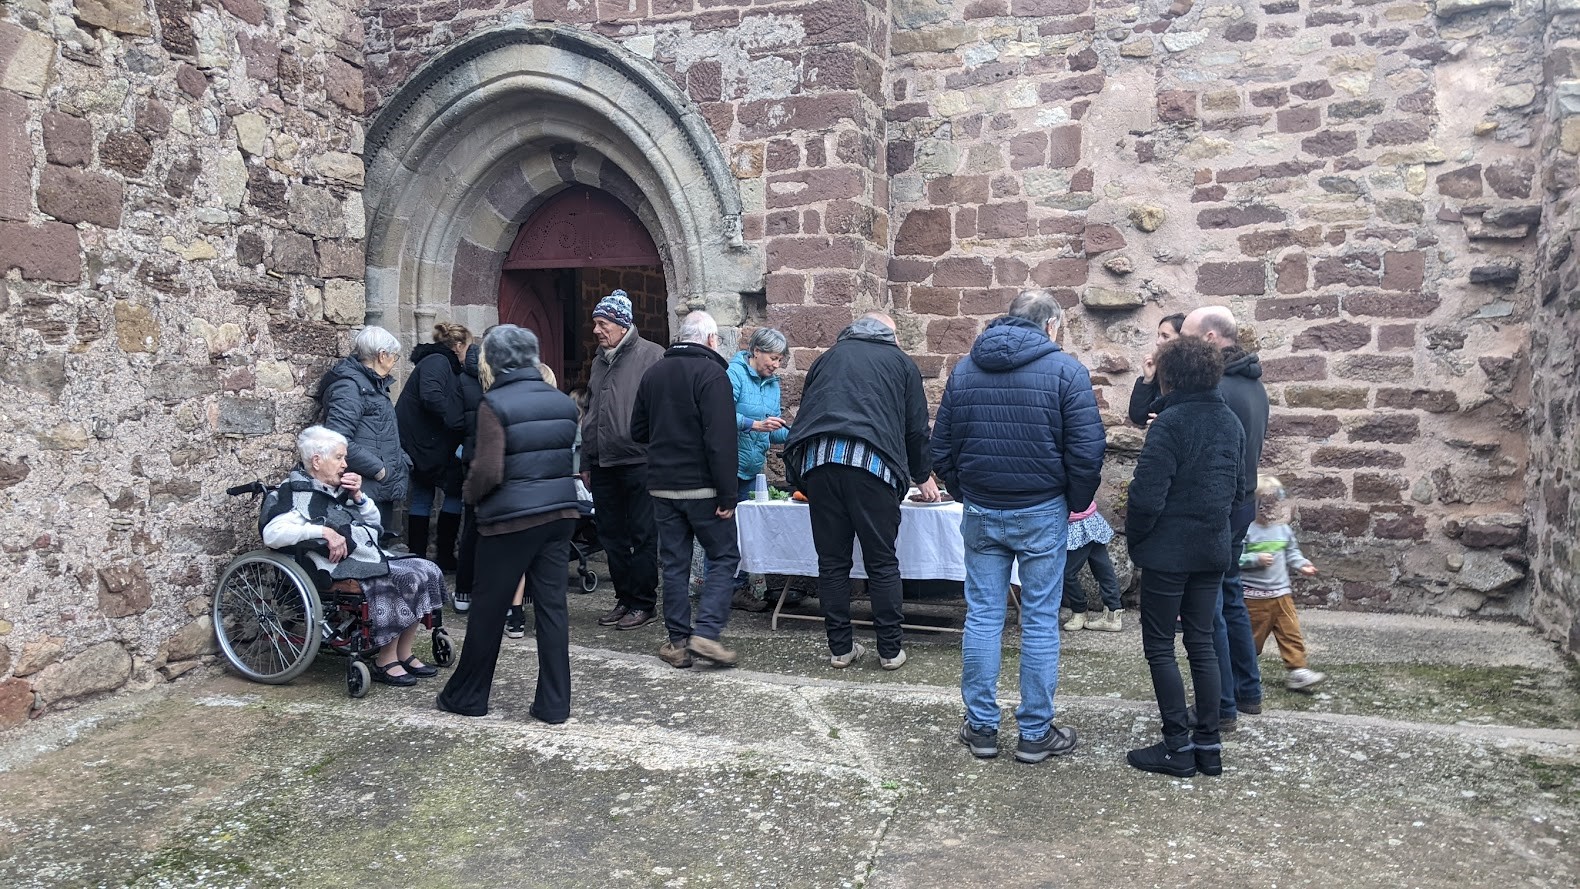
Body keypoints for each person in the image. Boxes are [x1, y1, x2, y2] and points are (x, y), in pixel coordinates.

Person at [930, 290, 1106, 762]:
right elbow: (1087, 451)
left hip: (983, 509)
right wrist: (1075, 503)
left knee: (984, 616)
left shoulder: (965, 370)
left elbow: (940, 447)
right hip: (1042, 509)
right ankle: (1034, 732)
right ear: (1050, 326)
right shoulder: (1066, 371)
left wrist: (966, 491)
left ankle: (982, 728)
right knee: (1040, 619)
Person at [436, 326, 579, 721]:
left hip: (510, 520)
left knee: (489, 609)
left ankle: (468, 696)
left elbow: (488, 471)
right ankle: (554, 704)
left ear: (495, 361)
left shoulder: (494, 403)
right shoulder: (563, 403)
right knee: (553, 610)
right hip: (560, 514)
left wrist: (470, 494)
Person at [785, 312, 939, 672]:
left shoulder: (826, 358)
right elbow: (916, 427)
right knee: (881, 561)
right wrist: (922, 476)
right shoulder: (901, 363)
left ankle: (840, 649)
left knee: (832, 563)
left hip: (820, 464)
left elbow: (806, 411)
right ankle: (889, 651)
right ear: (889, 335)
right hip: (873, 466)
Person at [1124, 336, 1244, 778]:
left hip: (1168, 552)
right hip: (1211, 548)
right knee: (1202, 643)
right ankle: (1208, 747)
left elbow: (1146, 497)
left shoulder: (1170, 424)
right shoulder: (1229, 421)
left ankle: (1177, 746)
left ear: (1170, 377)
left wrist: (1138, 541)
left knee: (1160, 646)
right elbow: (1237, 491)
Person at [262, 426, 445, 686]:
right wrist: (322, 531)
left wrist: (359, 497)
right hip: (330, 566)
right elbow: (272, 534)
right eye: (339, 457)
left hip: (363, 556)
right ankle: (385, 659)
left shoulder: (338, 491)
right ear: (317, 461)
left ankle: (403, 653)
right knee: (397, 579)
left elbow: (374, 523)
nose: (345, 464)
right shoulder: (297, 493)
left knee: (425, 569)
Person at [631, 311, 742, 668]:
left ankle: (678, 642)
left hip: (663, 487)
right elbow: (721, 440)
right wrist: (728, 494)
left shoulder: (654, 373)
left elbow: (637, 431)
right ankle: (706, 633)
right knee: (724, 557)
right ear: (710, 339)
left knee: (674, 564)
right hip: (703, 487)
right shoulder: (713, 374)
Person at [1181, 305, 1269, 731]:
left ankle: (1220, 706)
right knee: (1230, 596)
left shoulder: (1218, 388)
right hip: (1243, 503)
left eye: (1187, 337)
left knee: (1208, 607)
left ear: (1211, 339)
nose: (1181, 346)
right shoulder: (1254, 384)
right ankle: (1248, 691)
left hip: (1218, 509)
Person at [582, 290, 666, 631]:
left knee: (643, 534)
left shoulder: (652, 356)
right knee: (611, 535)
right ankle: (625, 598)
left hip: (639, 461)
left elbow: (663, 410)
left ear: (622, 324)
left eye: (603, 324)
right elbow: (590, 411)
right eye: (595, 324)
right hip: (602, 463)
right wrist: (586, 460)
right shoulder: (598, 360)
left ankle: (644, 603)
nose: (596, 331)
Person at [317, 326, 410, 531]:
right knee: (367, 543)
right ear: (382, 355)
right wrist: (379, 470)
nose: (394, 362)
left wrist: (400, 460)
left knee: (381, 542)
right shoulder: (350, 387)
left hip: (378, 486)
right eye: (394, 356)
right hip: (364, 486)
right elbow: (337, 440)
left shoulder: (372, 384)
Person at [396, 322, 471, 570]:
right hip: (425, 442)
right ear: (458, 345)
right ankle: (424, 555)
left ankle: (439, 555)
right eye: (468, 347)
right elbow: (431, 396)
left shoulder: (443, 363)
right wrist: (458, 420)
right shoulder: (437, 361)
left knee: (443, 491)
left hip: (434, 440)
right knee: (432, 492)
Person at [1242, 476, 1328, 691]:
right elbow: (1234, 558)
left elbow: (1292, 552)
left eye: (1275, 501)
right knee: (1251, 639)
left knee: (1291, 633)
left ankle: (1298, 670)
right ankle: (1243, 670)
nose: (1270, 507)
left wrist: (1302, 564)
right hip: (1254, 597)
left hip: (1282, 594)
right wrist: (1255, 559)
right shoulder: (1246, 530)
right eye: (1264, 502)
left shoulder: (1283, 529)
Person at [727, 327, 791, 612]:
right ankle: (729, 590)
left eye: (779, 360)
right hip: (729, 467)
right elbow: (719, 414)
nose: (776, 365)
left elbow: (772, 430)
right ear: (756, 351)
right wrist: (754, 424)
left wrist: (799, 433)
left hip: (753, 468)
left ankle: (744, 588)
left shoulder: (772, 384)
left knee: (749, 533)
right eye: (773, 358)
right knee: (729, 532)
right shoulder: (735, 374)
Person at [452, 335, 486, 613]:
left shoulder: (462, 380)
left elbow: (452, 419)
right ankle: (512, 600)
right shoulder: (502, 379)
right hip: (495, 458)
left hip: (473, 457)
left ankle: (464, 592)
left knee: (472, 525)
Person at [1061, 501, 1124, 632]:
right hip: (1089, 518)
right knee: (1103, 569)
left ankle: (1080, 609)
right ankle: (1113, 612)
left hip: (1077, 522)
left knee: (1066, 572)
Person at [1127, 312, 1184, 427]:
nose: (1158, 342)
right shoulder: (1160, 370)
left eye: (1165, 336)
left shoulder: (1193, 374)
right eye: (1158, 336)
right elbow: (1138, 417)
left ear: (1182, 339)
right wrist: (1147, 380)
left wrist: (1165, 422)